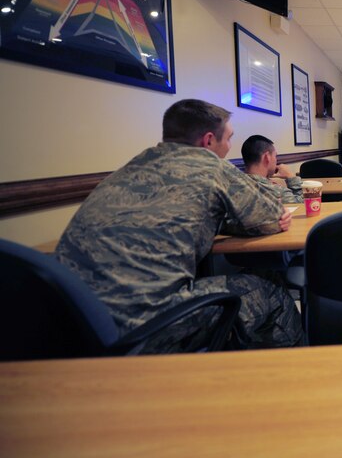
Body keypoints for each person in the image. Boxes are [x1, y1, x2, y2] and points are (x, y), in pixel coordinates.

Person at [55, 99, 304, 351]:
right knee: (269, 287)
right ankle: (293, 373)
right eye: (228, 139)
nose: (229, 147)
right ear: (208, 141)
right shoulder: (211, 166)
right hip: (145, 331)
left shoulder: (133, 165)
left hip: (72, 323)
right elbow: (270, 217)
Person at [241, 134, 303, 203]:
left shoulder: (236, 184)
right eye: (275, 156)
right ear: (267, 157)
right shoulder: (277, 192)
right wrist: (291, 177)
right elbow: (305, 204)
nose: (276, 160)